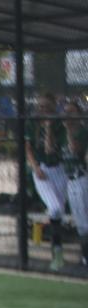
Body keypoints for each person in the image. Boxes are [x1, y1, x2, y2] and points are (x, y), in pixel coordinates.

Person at [25, 92, 68, 272]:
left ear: (53, 108)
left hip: (59, 170)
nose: (43, 110)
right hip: (42, 171)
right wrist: (35, 167)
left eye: (47, 107)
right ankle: (56, 251)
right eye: (40, 107)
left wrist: (49, 128)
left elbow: (51, 150)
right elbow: (28, 149)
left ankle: (57, 252)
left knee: (58, 211)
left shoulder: (59, 125)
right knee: (56, 209)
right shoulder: (31, 123)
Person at [62, 97, 88, 268]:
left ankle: (86, 257)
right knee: (80, 223)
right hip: (70, 181)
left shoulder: (83, 131)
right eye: (66, 112)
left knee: (85, 221)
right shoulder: (64, 132)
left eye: (71, 112)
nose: (67, 116)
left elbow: (75, 149)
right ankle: (85, 256)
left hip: (82, 179)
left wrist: (69, 131)